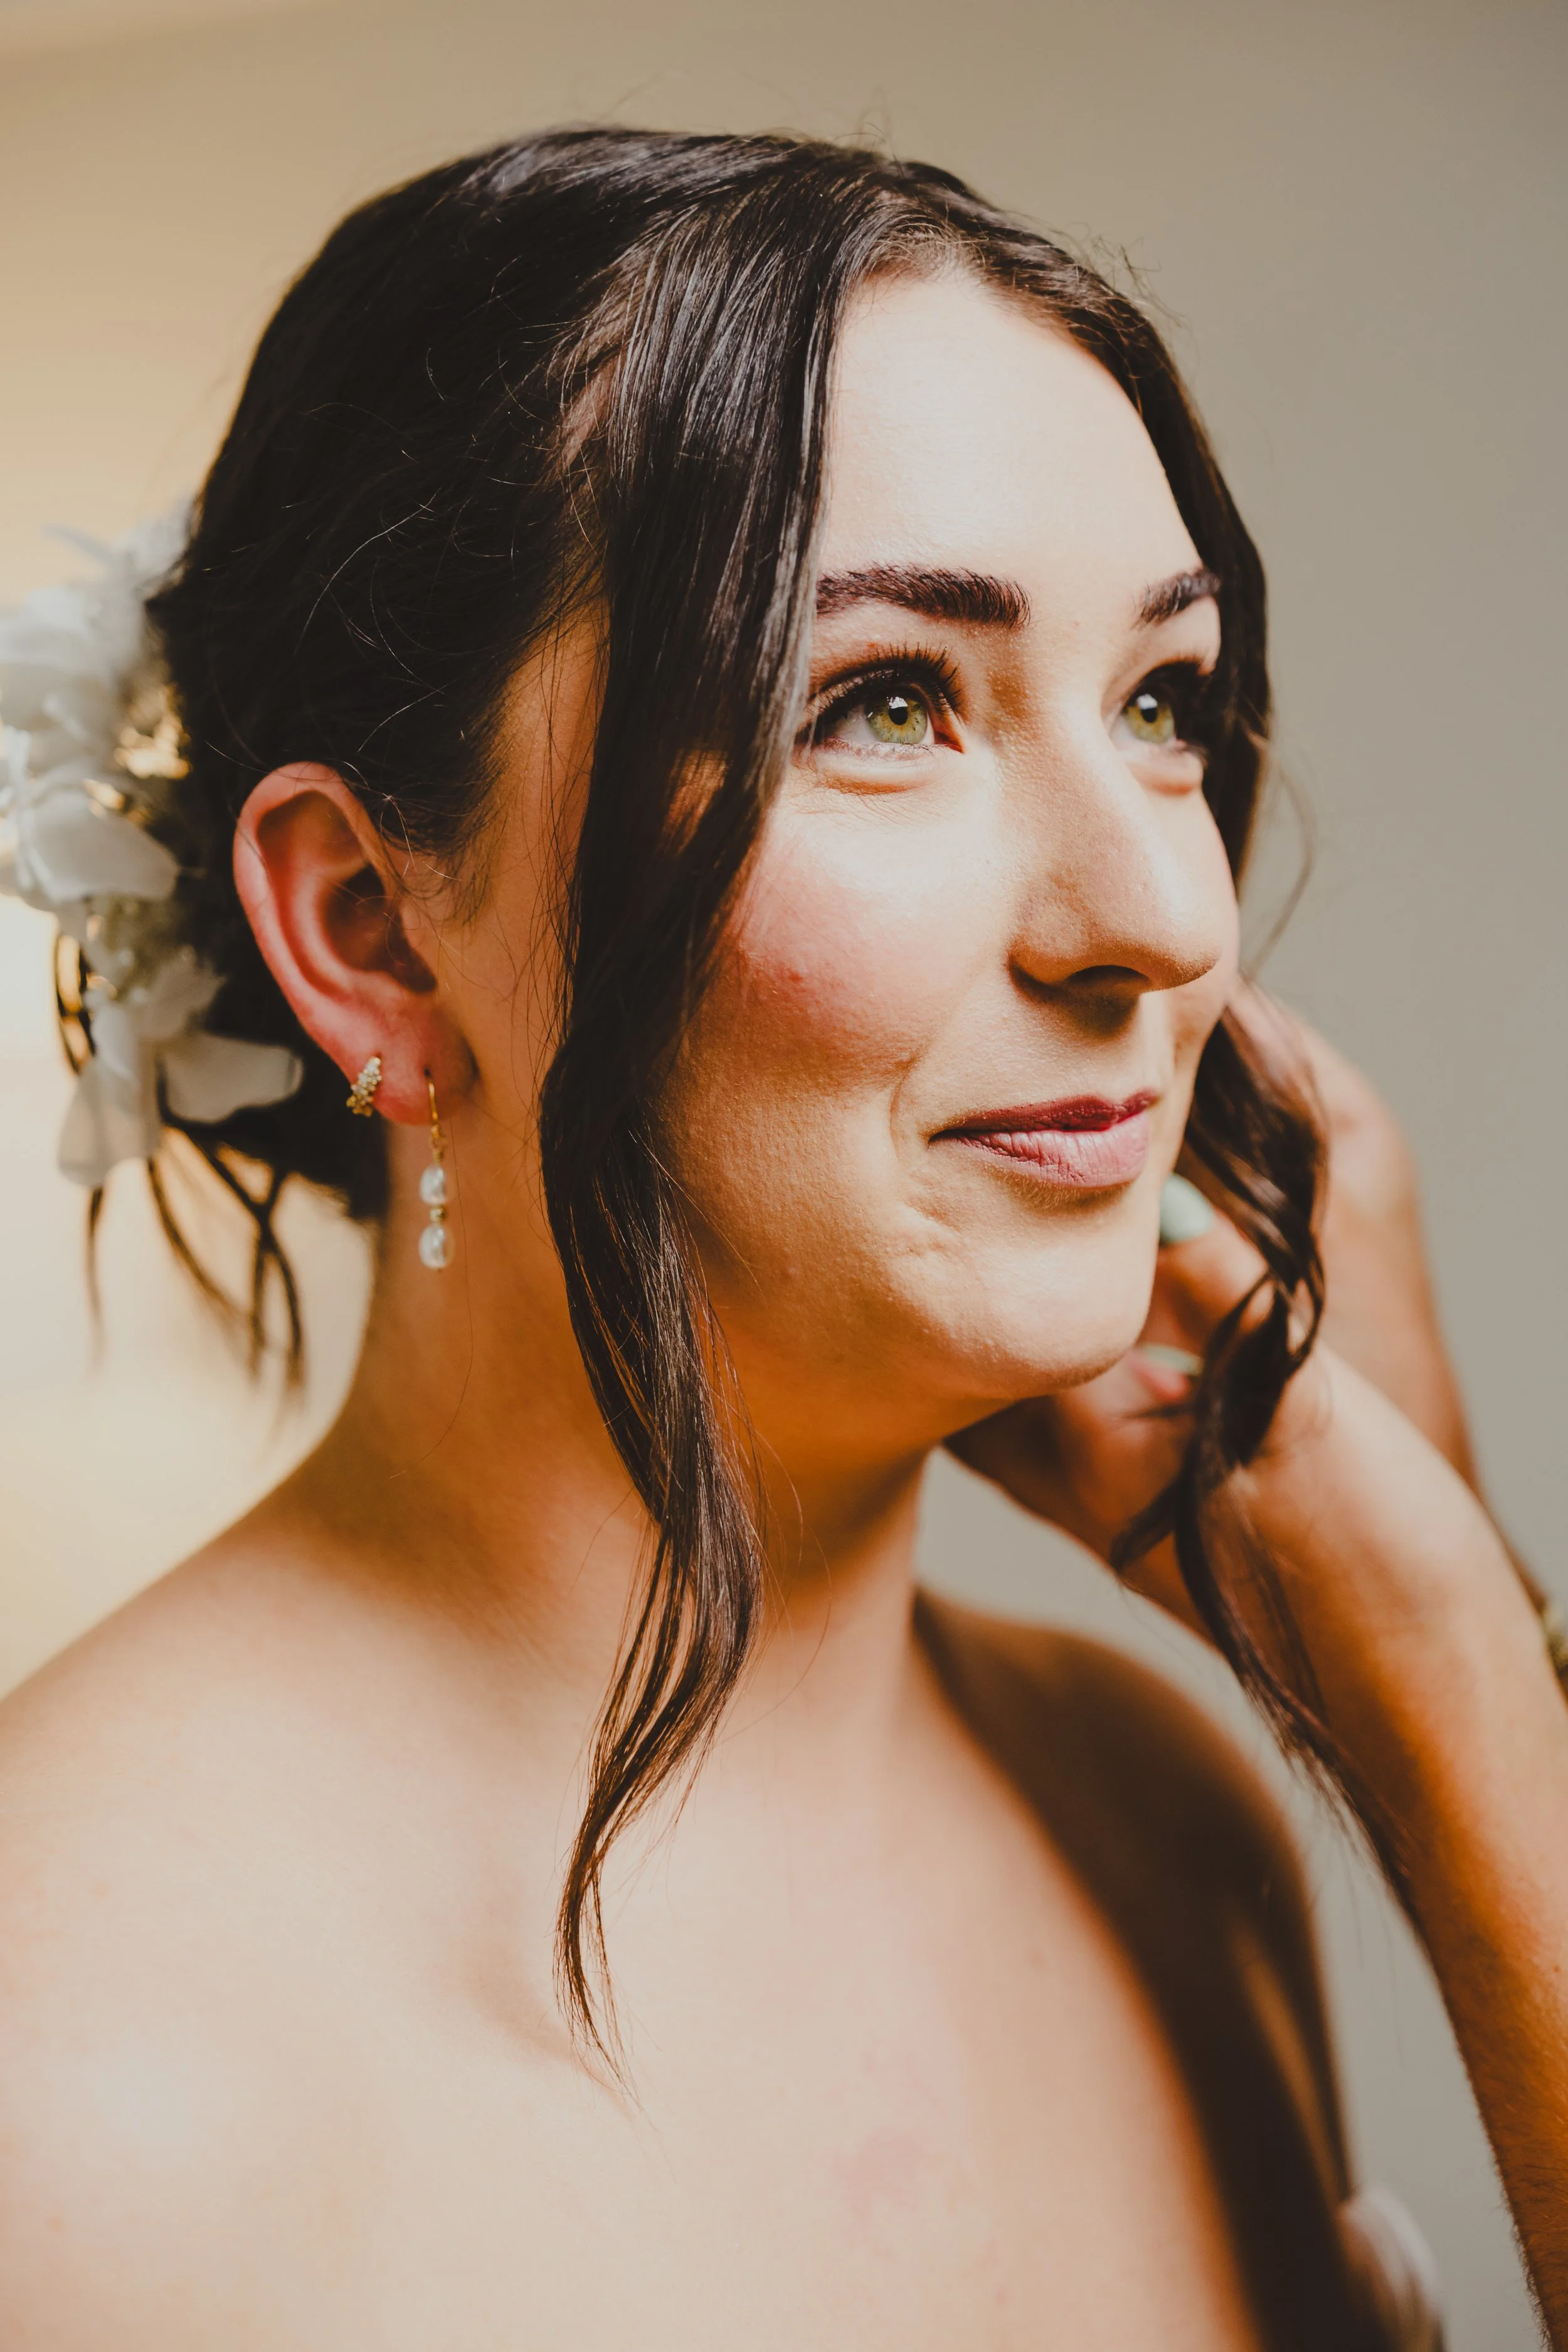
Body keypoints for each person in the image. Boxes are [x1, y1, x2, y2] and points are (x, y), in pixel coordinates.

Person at [0, 129, 1562, 2352]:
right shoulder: (68, 2097)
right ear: (371, 930)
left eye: (1162, 701)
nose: (1164, 912)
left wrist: (1448, 1660)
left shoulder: (1160, 1825)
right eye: (886, 703)